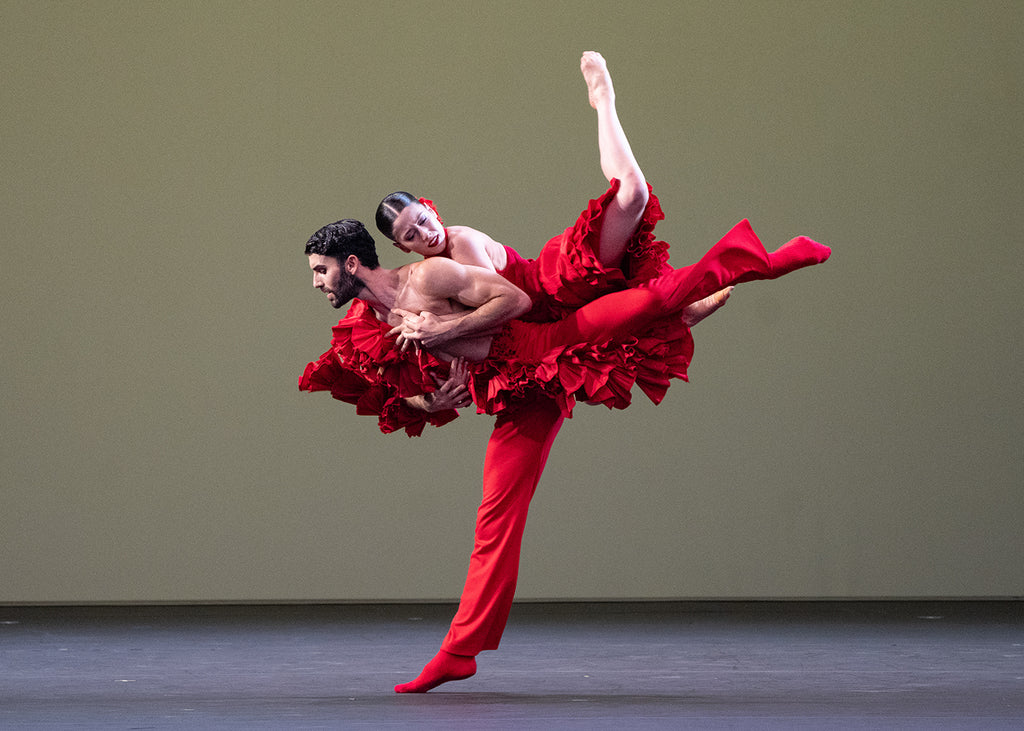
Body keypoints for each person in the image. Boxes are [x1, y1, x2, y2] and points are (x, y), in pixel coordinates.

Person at [300, 218, 830, 692]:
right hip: (517, 394)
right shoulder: (366, 328)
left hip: (551, 345)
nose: (317, 283)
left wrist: (445, 328)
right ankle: (458, 653)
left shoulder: (429, 278)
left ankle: (769, 261)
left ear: (352, 263)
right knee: (495, 517)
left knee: (653, 300)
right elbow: (393, 393)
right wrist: (431, 400)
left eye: (321, 271)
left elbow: (516, 302)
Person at [375, 52, 670, 326]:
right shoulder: (432, 274)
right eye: (411, 235)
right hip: (548, 323)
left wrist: (439, 327)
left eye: (423, 220)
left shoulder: (459, 242)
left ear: (431, 210)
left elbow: (498, 308)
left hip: (559, 282)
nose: (426, 234)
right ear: (402, 247)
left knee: (633, 193)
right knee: (643, 315)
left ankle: (604, 99)